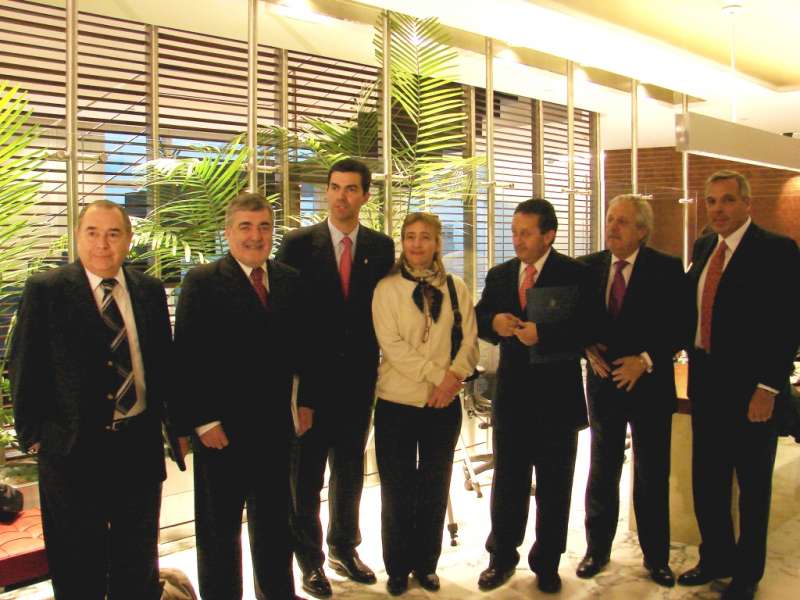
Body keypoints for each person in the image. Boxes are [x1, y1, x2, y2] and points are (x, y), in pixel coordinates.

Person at [9, 200, 175, 600]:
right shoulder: (47, 290)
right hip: (72, 451)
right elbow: (23, 366)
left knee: (137, 560)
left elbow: (163, 364)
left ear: (129, 240)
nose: (103, 244)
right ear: (78, 236)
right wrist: (36, 437)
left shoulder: (149, 291)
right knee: (77, 564)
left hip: (137, 445)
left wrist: (174, 427)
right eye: (93, 233)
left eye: (113, 234)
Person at [173, 193, 302, 600]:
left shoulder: (289, 280)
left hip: (275, 429)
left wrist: (306, 405)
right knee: (219, 532)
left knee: (275, 527)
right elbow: (186, 356)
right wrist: (203, 421)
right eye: (245, 227)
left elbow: (304, 350)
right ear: (228, 232)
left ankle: (277, 594)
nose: (255, 236)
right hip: (221, 432)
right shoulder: (202, 281)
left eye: (264, 227)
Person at [276, 158, 395, 598]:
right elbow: (285, 316)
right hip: (310, 384)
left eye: (351, 189)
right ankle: (309, 561)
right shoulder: (297, 244)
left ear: (365, 195)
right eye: (335, 187)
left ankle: (343, 548)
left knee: (349, 471)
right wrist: (295, 387)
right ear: (326, 191)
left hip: (359, 380)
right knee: (305, 478)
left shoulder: (381, 247)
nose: (341, 196)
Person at [680, 170, 800, 600]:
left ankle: (747, 574)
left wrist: (768, 387)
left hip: (752, 392)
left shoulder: (777, 250)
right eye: (711, 201)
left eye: (728, 200)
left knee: (751, 488)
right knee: (708, 483)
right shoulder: (704, 247)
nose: (718, 209)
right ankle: (715, 558)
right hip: (706, 384)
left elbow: (788, 323)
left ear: (748, 204)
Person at [474, 198, 589, 594]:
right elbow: (479, 318)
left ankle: (547, 562)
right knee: (508, 482)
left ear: (548, 235)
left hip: (558, 399)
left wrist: (545, 334)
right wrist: (495, 322)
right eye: (514, 232)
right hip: (513, 397)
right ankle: (501, 557)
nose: (517, 240)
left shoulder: (575, 273)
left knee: (555, 486)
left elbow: (590, 328)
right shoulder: (501, 274)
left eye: (526, 233)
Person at [576, 194, 685, 586]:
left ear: (642, 230)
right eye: (610, 219)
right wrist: (586, 347)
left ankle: (656, 558)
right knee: (602, 469)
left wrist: (646, 359)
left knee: (652, 472)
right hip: (604, 383)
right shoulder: (587, 267)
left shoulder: (666, 268)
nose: (612, 227)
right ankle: (596, 550)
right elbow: (574, 320)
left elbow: (680, 325)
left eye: (622, 221)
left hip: (649, 385)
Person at [371, 212, 479, 596]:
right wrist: (440, 377)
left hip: (443, 406)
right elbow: (392, 346)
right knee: (397, 491)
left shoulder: (456, 287)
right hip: (396, 404)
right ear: (402, 242)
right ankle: (397, 568)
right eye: (411, 236)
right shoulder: (386, 289)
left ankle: (426, 564)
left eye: (425, 237)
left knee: (435, 488)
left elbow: (470, 341)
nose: (417, 244)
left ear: (437, 243)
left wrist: (454, 380)